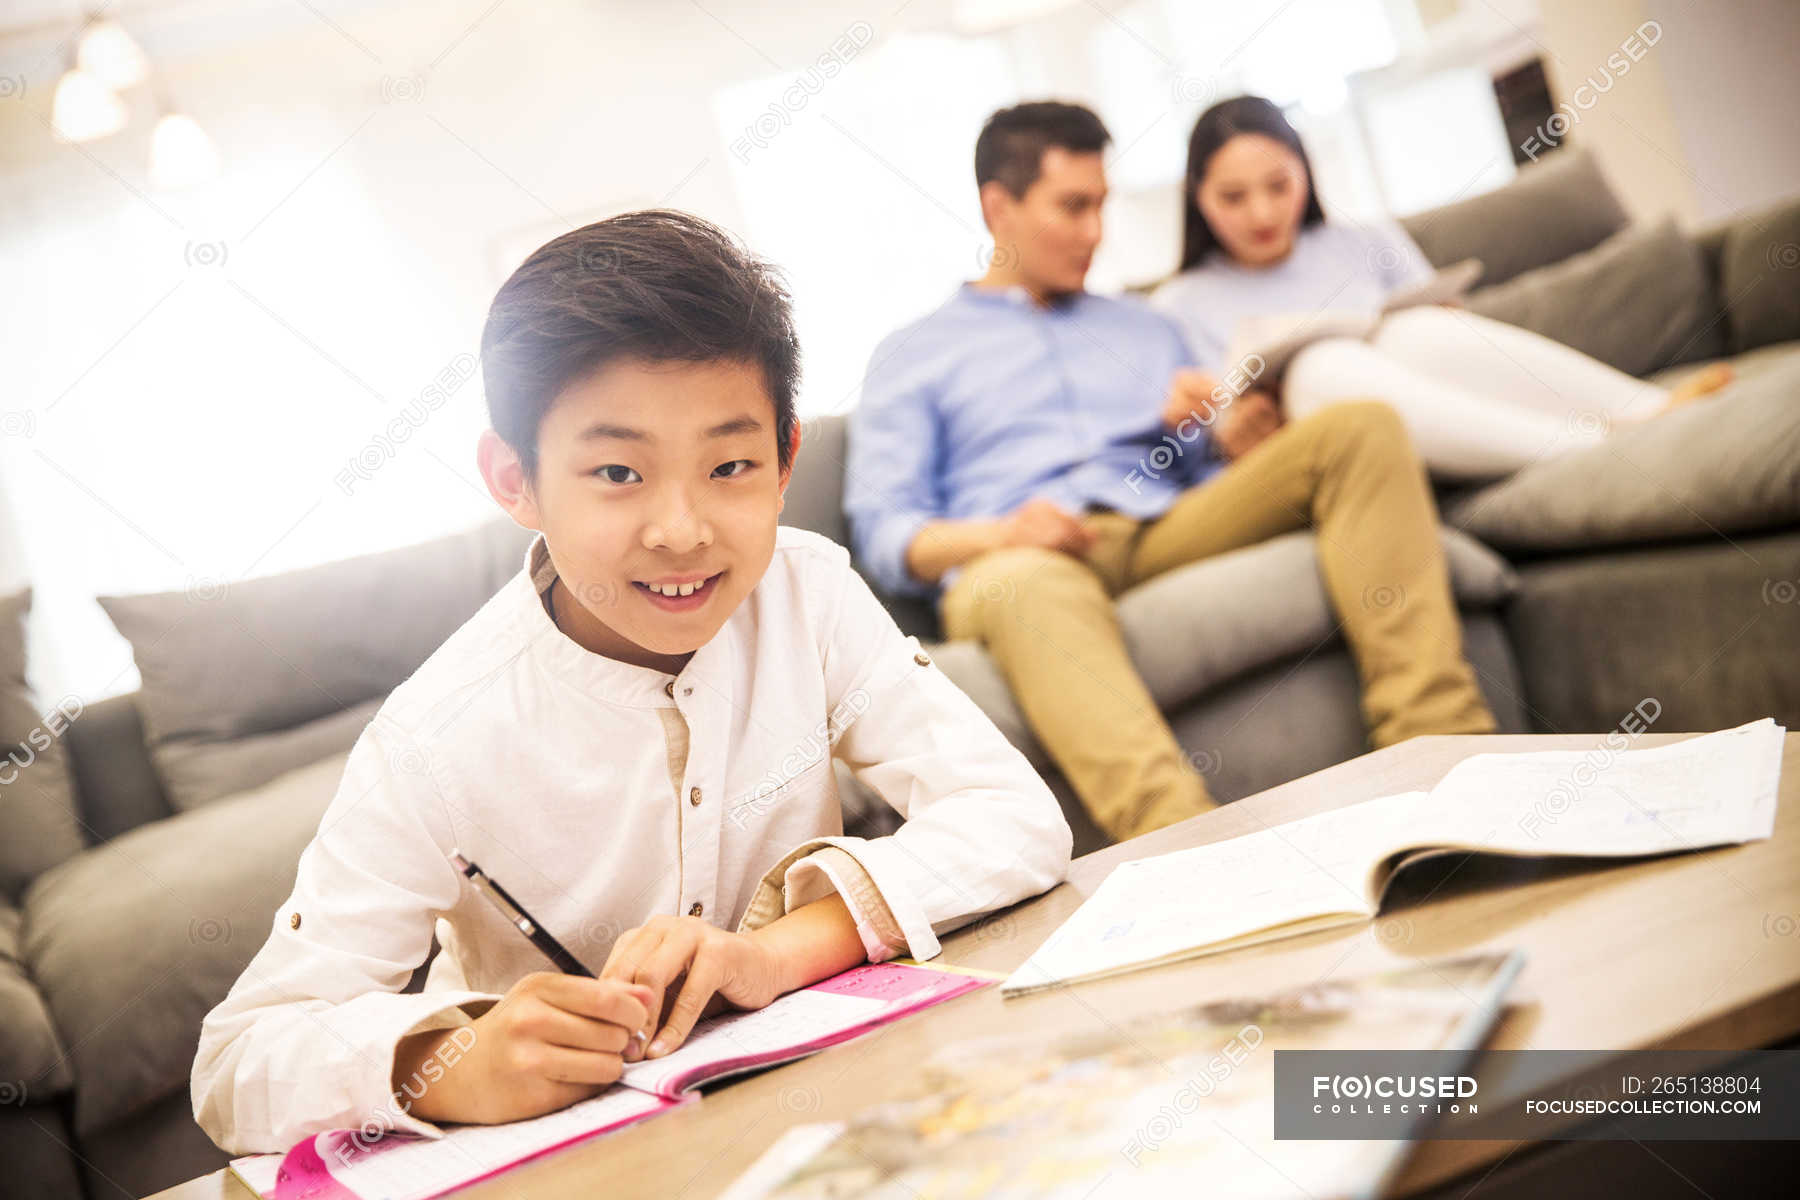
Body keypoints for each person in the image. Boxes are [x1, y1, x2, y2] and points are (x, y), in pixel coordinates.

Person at [190, 210, 1070, 1154]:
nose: (682, 528)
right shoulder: (434, 739)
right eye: (618, 471)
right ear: (514, 479)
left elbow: (1017, 820)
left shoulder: (806, 591)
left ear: (785, 463)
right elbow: (238, 1064)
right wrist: (448, 1065)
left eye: (730, 465)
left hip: (828, 1120)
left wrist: (772, 954)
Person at [846, 101, 1499, 846]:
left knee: (1359, 428)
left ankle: (1445, 758)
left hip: (1160, 524)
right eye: (1073, 207)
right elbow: (886, 531)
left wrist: (1222, 435)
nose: (1096, 232)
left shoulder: (1145, 325)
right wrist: (1002, 532)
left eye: (1102, 206)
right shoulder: (914, 353)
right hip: (1023, 557)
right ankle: (1194, 850)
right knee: (1022, 580)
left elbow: (1202, 465)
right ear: (999, 208)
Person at [1151, 94, 1732, 480]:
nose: (1261, 212)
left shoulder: (1364, 240)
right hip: (1325, 446)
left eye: (1279, 185)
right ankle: (1587, 449)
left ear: (1307, 170)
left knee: (1413, 327)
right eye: (1233, 197)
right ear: (1196, 197)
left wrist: (1445, 320)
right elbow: (1185, 448)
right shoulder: (1176, 307)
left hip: (1433, 409)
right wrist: (1222, 430)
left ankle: (1646, 409)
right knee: (1320, 362)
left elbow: (1449, 333)